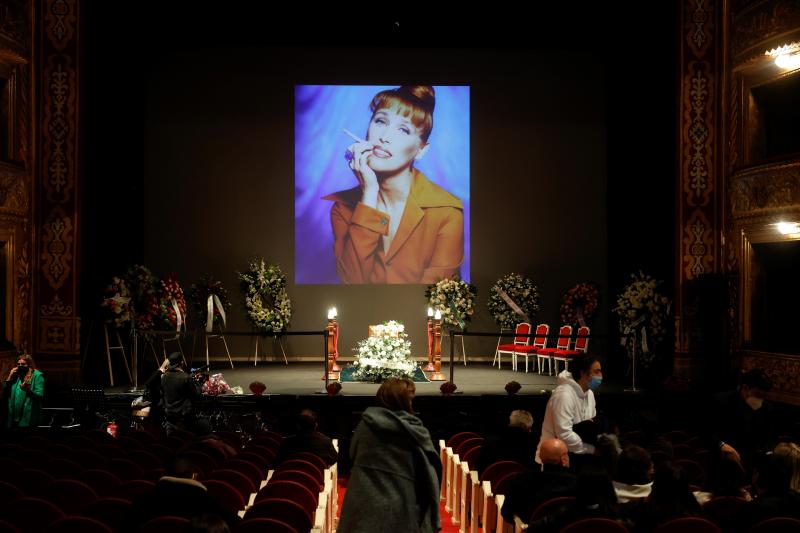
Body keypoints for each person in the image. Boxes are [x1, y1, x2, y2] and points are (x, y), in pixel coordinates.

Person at [324, 85, 464, 284]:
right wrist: (370, 194)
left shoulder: (446, 212)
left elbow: (438, 298)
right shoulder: (342, 208)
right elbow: (352, 282)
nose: (385, 137)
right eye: (380, 121)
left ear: (421, 150)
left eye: (403, 129)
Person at [337, 377, 441, 532]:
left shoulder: (366, 424)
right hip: (401, 506)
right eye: (410, 400)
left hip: (363, 501)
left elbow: (352, 454)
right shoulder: (415, 432)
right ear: (403, 402)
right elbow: (427, 473)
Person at [128, 455, 240, 529]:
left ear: (163, 474)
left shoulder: (142, 500)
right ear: (194, 476)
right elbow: (237, 525)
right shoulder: (208, 501)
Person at [537, 353, 603, 464]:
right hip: (553, 461)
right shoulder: (564, 395)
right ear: (583, 373)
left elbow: (591, 425)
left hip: (576, 455)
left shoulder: (589, 394)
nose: (600, 375)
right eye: (596, 372)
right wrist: (592, 450)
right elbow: (564, 435)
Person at [707, 368, 776, 473]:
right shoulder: (720, 401)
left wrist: (768, 453)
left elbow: (769, 437)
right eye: (758, 395)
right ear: (745, 388)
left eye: (763, 396)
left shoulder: (767, 408)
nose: (760, 400)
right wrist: (721, 444)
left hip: (753, 465)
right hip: (725, 461)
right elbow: (707, 431)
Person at [500, 437, 577, 527]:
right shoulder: (577, 483)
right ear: (564, 459)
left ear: (540, 457)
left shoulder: (520, 479)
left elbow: (506, 513)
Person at [477, 409, 538, 474]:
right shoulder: (533, 448)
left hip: (490, 482)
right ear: (528, 428)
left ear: (510, 421)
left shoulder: (490, 441)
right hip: (520, 483)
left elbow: (479, 469)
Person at [160, 352, 197, 435]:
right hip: (183, 419)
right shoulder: (185, 377)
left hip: (169, 417)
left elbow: (162, 394)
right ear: (182, 363)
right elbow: (195, 396)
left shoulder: (164, 377)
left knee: (172, 443)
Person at [5, 354, 44, 428]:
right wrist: (10, 376)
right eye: (18, 364)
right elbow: (6, 391)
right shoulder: (16, 375)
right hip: (14, 417)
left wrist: (28, 390)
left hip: (28, 416)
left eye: (23, 364)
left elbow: (40, 396)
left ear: (29, 365)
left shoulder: (37, 376)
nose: (20, 366)